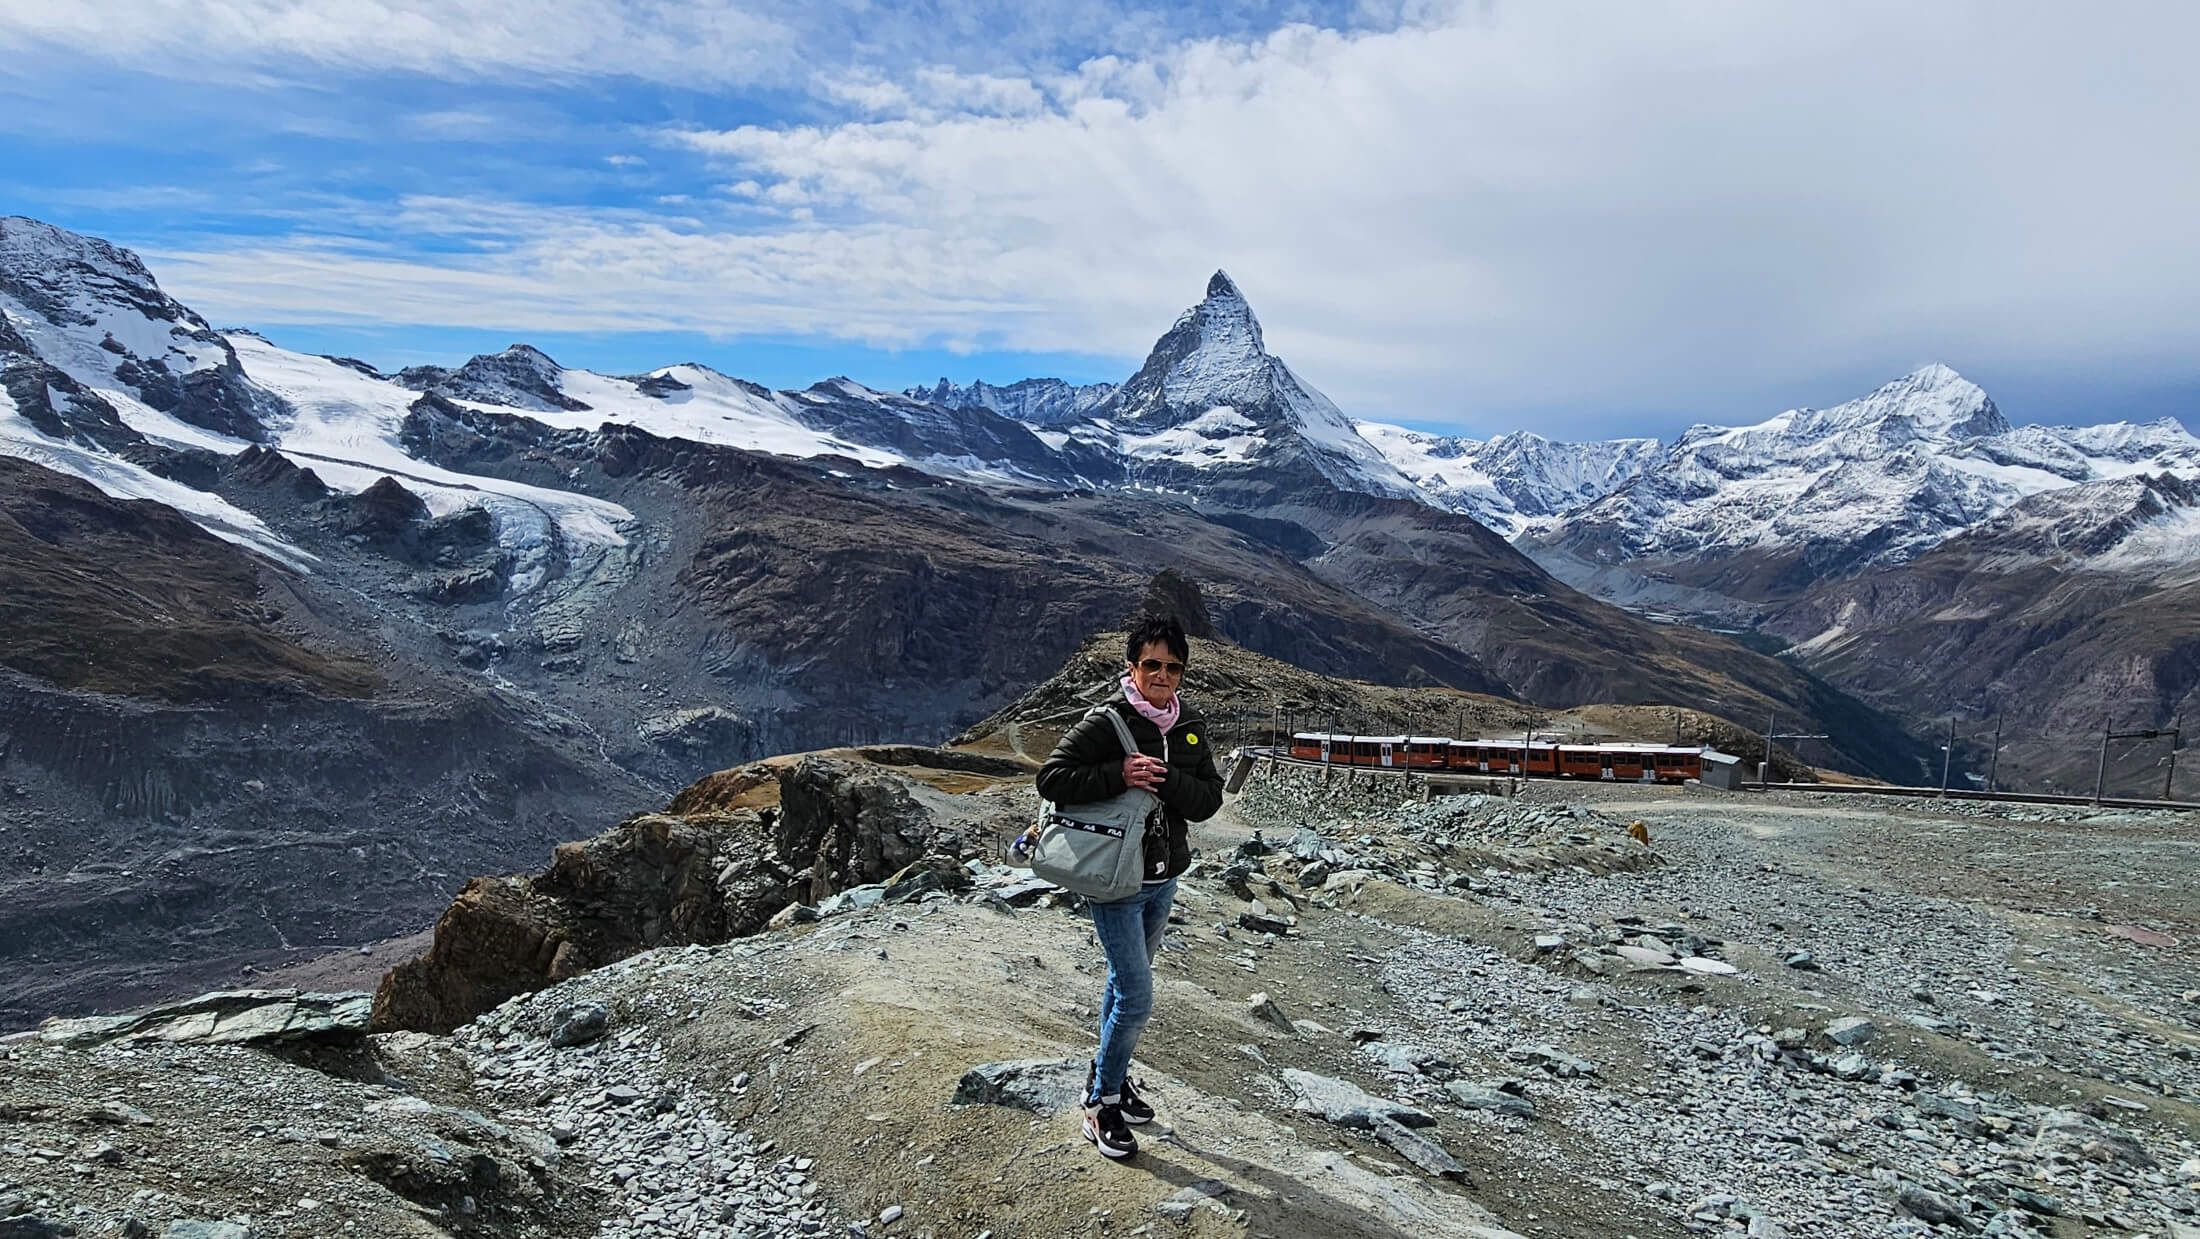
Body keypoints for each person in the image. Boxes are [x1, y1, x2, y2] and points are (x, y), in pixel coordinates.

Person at [1036, 614, 1224, 1159]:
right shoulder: (1108, 720)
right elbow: (1051, 778)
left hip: (1164, 878)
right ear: (1132, 666)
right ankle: (1102, 1104)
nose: (1162, 675)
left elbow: (1208, 800)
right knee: (1137, 998)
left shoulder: (1189, 725)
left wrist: (1168, 780)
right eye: (1151, 664)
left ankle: (1108, 1077)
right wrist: (1118, 775)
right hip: (1114, 879)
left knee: (1122, 986)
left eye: (1173, 667)